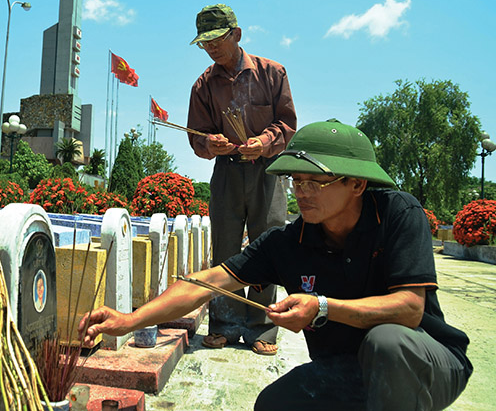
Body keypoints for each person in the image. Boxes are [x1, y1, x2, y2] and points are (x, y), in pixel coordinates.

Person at [80, 120, 472, 410]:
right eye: (295, 181)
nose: (301, 192)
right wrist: (129, 320)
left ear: (357, 184)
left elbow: (409, 308)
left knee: (386, 343)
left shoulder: (398, 214)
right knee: (274, 405)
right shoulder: (290, 240)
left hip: (425, 363)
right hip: (349, 368)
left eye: (314, 182)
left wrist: (322, 307)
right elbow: (206, 283)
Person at [186, 3, 297, 355]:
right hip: (227, 173)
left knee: (268, 245)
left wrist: (265, 142)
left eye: (216, 40)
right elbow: (197, 136)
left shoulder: (272, 74)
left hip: (268, 173)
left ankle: (262, 328)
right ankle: (223, 324)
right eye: (204, 43)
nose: (211, 48)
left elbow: (287, 125)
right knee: (225, 248)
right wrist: (210, 143)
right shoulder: (203, 85)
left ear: (236, 34)